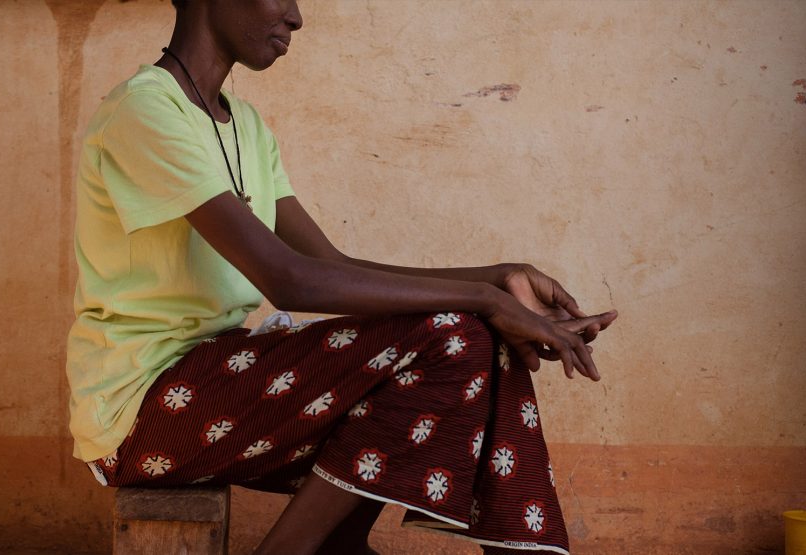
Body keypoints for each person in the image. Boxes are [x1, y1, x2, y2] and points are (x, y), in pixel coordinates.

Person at [65, 1, 618, 553]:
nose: (296, 17)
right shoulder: (145, 112)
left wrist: (498, 282)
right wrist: (485, 300)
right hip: (141, 412)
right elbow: (291, 281)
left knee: (470, 339)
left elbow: (330, 266)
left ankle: (338, 546)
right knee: (454, 334)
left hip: (223, 381)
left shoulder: (247, 127)